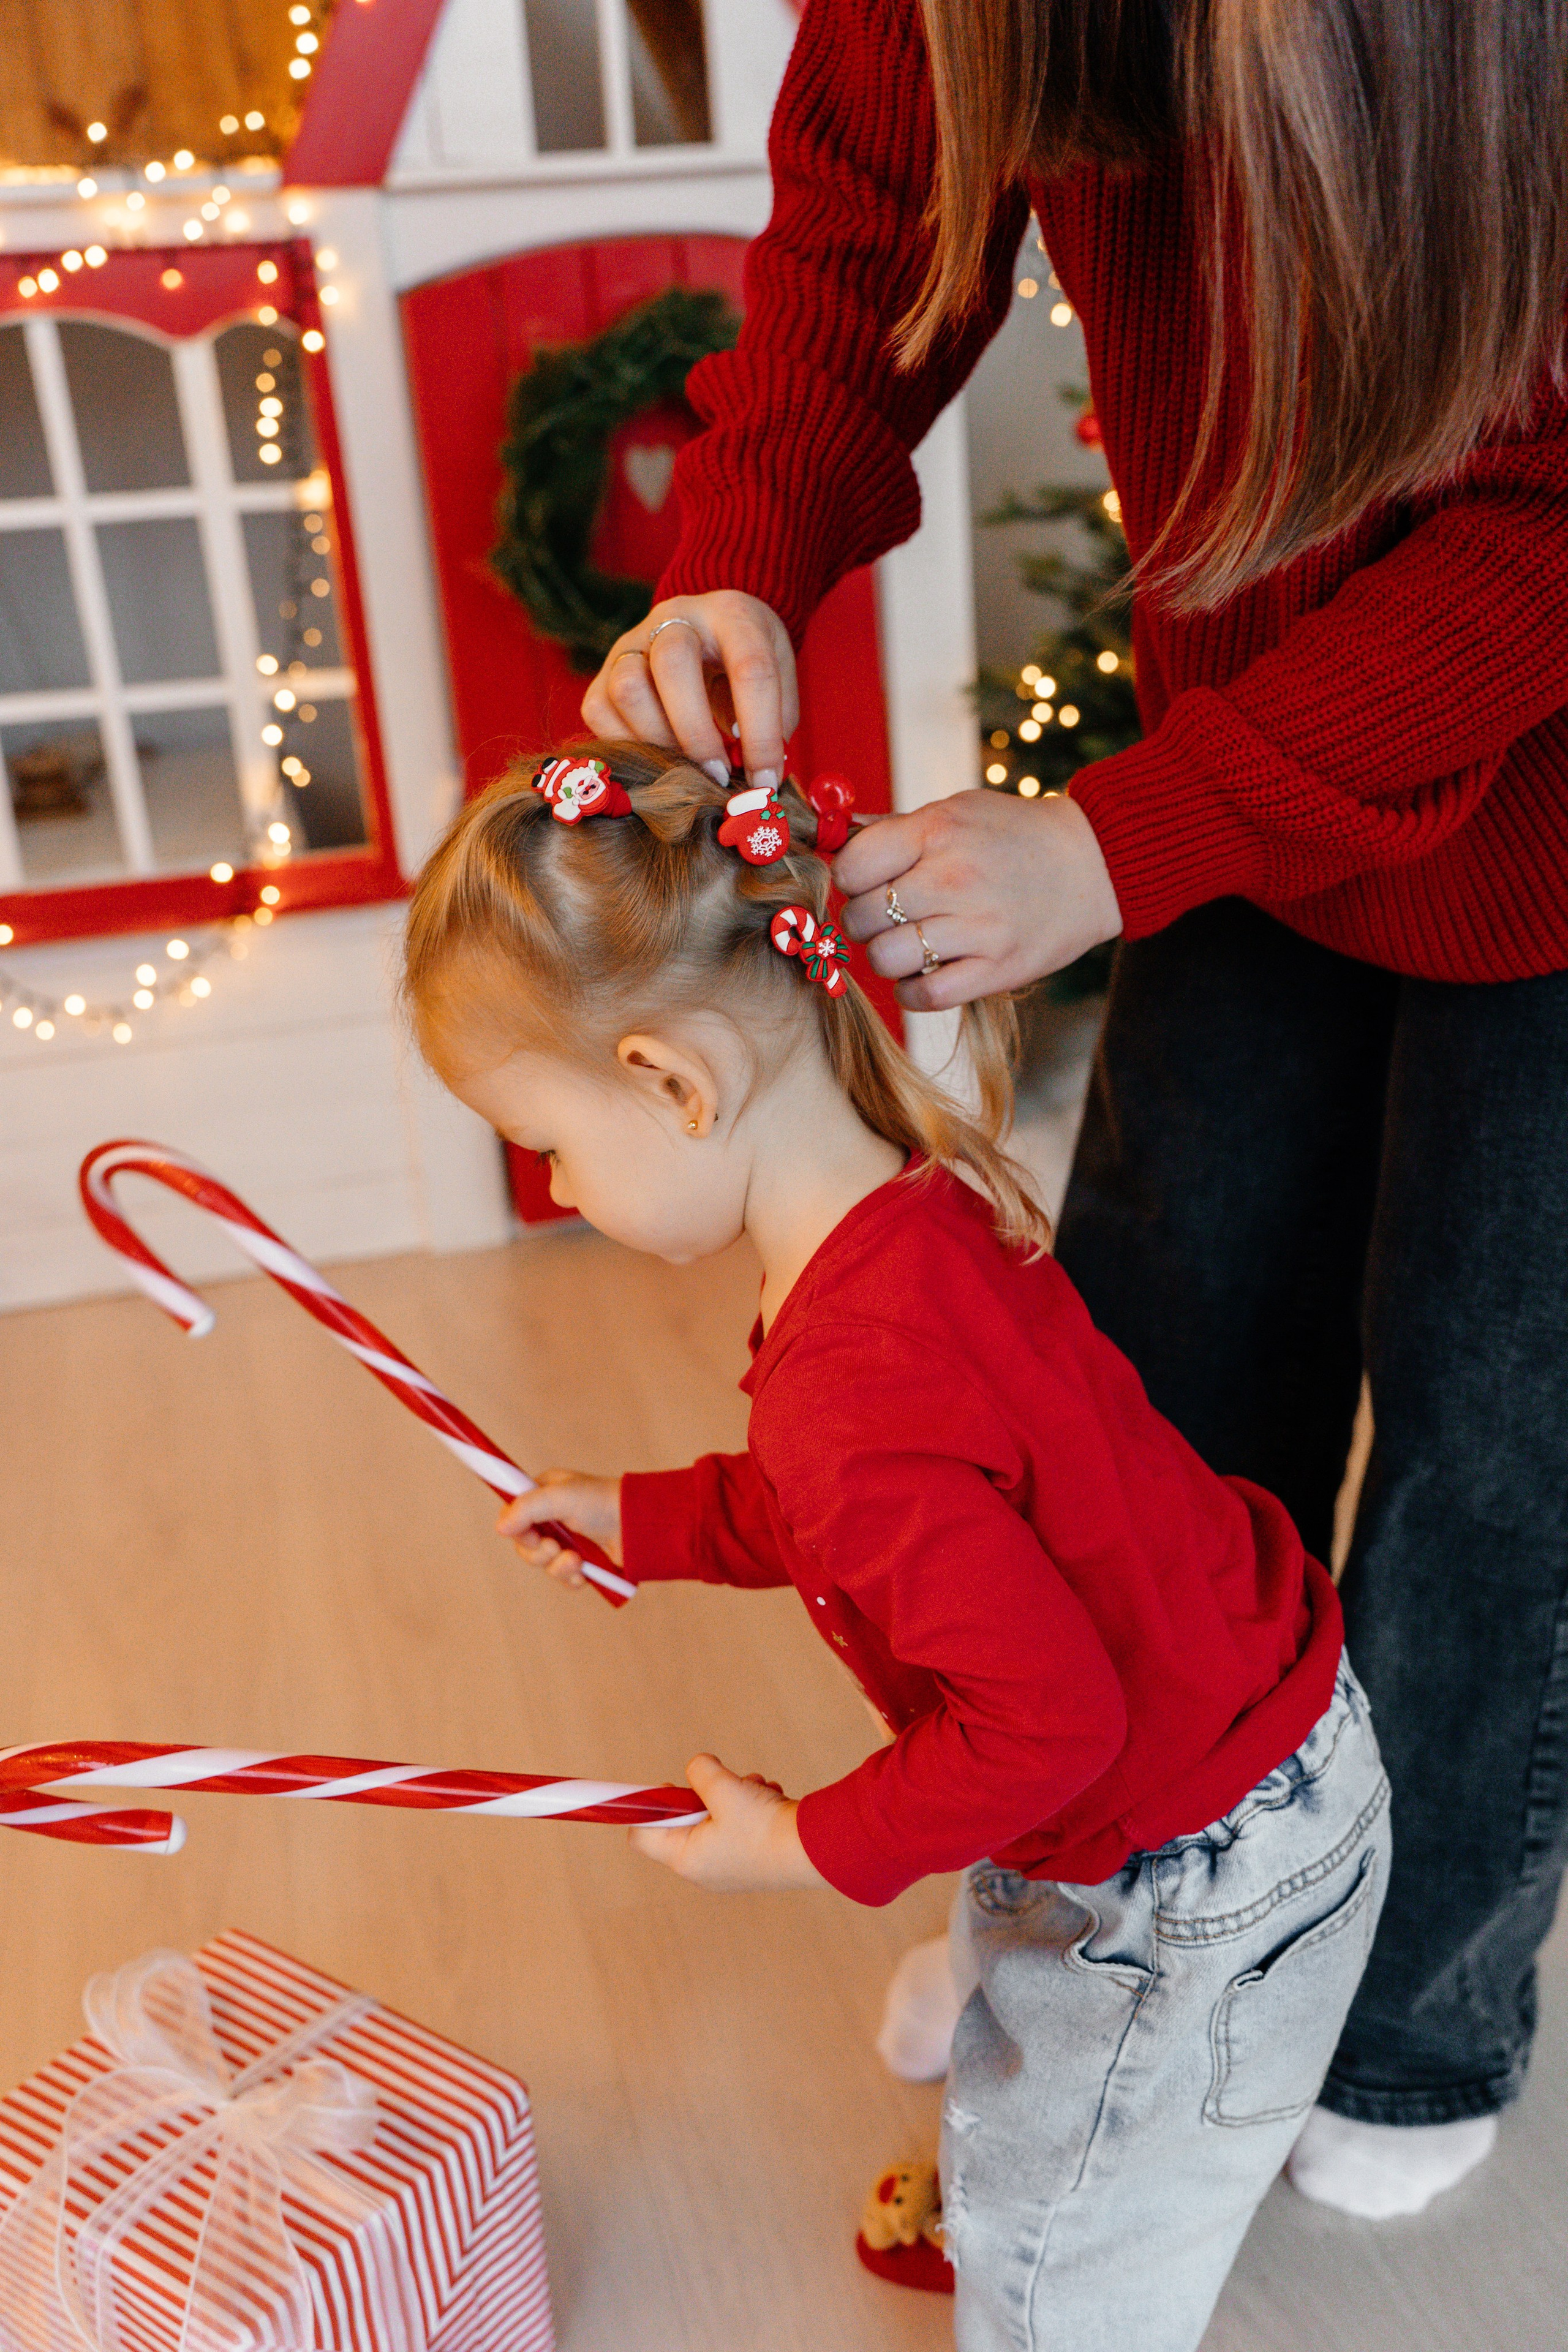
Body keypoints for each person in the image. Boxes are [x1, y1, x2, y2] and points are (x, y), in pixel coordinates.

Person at [579, 0, 1568, 2225]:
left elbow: (1548, 525)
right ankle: (1099, 1913)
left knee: (1498, 1464)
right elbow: (869, 219)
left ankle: (1413, 2020)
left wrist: (1125, 840)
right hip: (1242, 765)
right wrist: (743, 540)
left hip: (1537, 805)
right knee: (1149, 1356)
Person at [403, 743, 1389, 2352]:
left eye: (551, 1146)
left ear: (671, 1081)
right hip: (1253, 1722)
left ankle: (1038, 2239)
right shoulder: (899, 1218)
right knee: (1027, 1988)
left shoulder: (849, 1391)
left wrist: (798, 1843)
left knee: (1073, 2262)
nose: (565, 1189)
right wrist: (644, 1517)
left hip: (1182, 1867)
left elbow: (1050, 1724)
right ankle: (1024, 2135)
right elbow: (885, 1509)